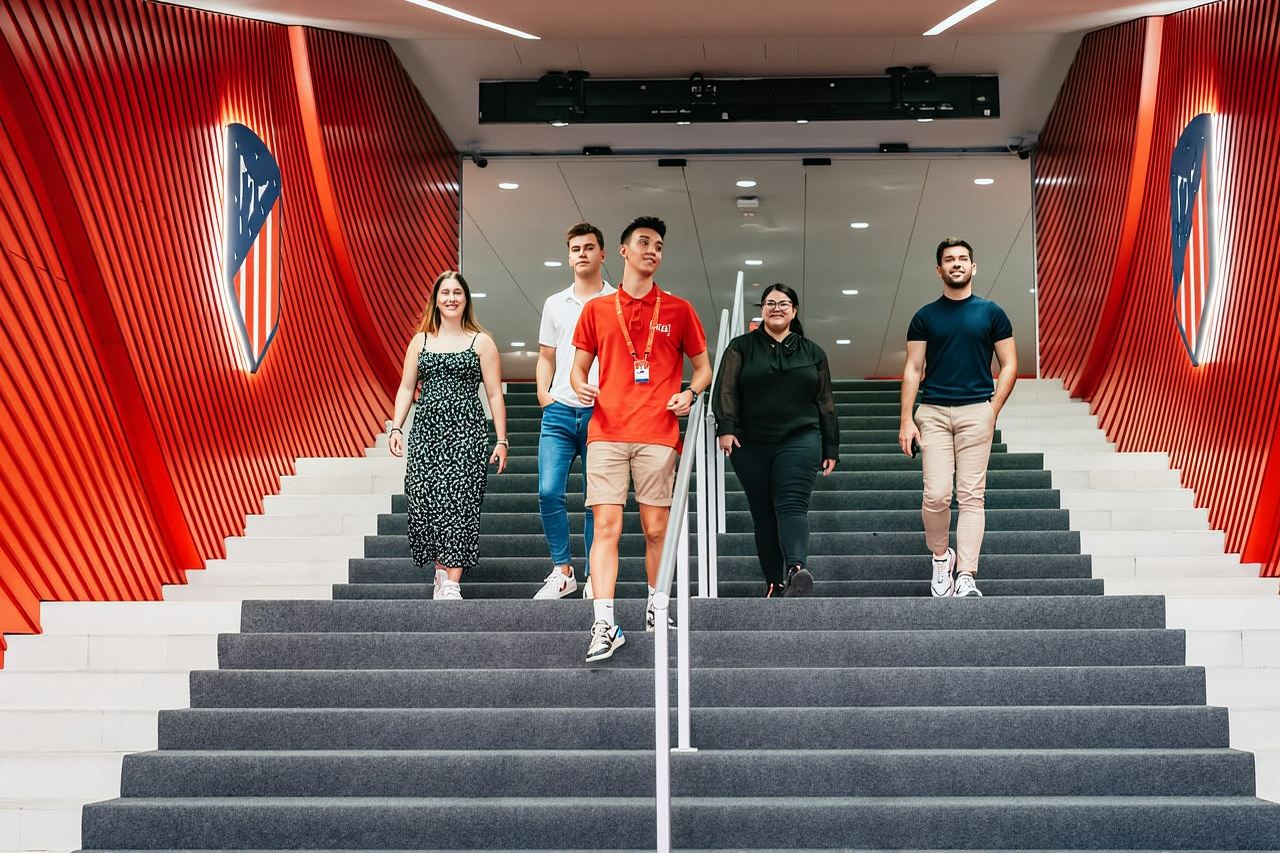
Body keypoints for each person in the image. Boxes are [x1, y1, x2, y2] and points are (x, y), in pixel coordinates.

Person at [570, 216, 712, 662]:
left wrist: (691, 392)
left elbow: (704, 367)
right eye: (644, 243)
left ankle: (656, 606)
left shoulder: (678, 309)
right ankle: (604, 622)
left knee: (656, 529)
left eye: (659, 245)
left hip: (658, 433)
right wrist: (579, 384)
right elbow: (577, 366)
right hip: (607, 432)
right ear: (624, 252)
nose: (653, 250)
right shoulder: (596, 309)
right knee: (607, 528)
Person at [898, 238, 1017, 598]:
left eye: (963, 258)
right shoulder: (924, 317)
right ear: (939, 270)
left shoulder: (991, 313)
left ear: (973, 267)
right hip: (932, 411)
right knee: (936, 495)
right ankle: (940, 560)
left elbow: (1010, 364)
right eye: (949, 259)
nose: (956, 264)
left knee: (971, 496)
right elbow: (913, 368)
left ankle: (966, 575)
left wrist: (992, 409)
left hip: (976, 410)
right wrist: (906, 418)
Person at [712, 283, 839, 598]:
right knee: (762, 512)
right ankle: (775, 581)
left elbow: (826, 402)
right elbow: (725, 388)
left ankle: (796, 568)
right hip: (750, 443)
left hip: (800, 437)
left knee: (792, 504)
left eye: (784, 303)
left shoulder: (813, 352)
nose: (776, 308)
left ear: (794, 311)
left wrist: (830, 446)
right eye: (770, 303)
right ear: (762, 311)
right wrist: (726, 426)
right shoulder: (740, 347)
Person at [388, 270, 508, 600]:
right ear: (436, 300)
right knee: (425, 500)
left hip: (467, 433)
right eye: (445, 293)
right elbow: (407, 387)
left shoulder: (481, 341)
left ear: (466, 299)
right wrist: (397, 427)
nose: (451, 298)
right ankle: (441, 571)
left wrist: (501, 439)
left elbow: (495, 393)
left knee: (461, 502)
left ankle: (453, 580)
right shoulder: (421, 341)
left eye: (457, 292)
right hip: (426, 433)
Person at [532, 223, 616, 600]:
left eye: (588, 247)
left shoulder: (618, 301)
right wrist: (542, 393)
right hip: (560, 410)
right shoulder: (555, 303)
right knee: (549, 491)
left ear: (603, 254)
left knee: (595, 498)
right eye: (575, 249)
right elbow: (546, 356)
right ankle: (562, 570)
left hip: (603, 412)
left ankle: (594, 575)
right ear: (568, 256)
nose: (581, 254)